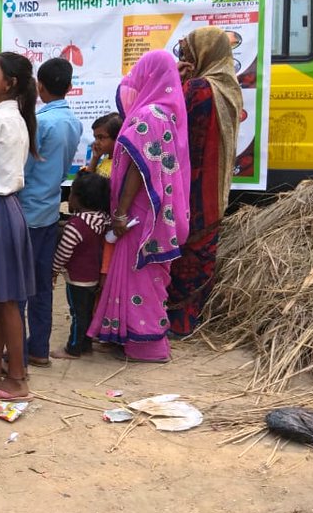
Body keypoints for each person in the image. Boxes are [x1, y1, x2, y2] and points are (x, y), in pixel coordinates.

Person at [88, 50, 190, 363]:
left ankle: (146, 345)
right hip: (155, 212)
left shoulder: (149, 115)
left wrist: (121, 212)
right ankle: (128, 337)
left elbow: (137, 166)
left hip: (140, 212)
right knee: (144, 275)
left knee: (139, 276)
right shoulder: (168, 112)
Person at [168, 26, 242, 336]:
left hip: (190, 185)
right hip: (214, 186)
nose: (186, 58)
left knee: (184, 251)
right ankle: (190, 319)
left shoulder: (197, 88)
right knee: (202, 252)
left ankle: (175, 321)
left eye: (188, 53)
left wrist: (174, 80)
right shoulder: (229, 86)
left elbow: (170, 119)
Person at [0, 52, 38, 401]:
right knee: (1, 296)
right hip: (10, 208)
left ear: (9, 83)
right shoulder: (14, 118)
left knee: (6, 300)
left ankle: (16, 376)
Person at [19, 58, 83, 368]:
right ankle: (39, 347)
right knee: (43, 284)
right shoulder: (74, 122)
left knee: (18, 286)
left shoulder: (40, 122)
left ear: (39, 86)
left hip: (29, 208)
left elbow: (24, 169)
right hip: (49, 207)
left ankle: (18, 351)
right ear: (69, 87)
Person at [51, 171, 109, 359]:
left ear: (77, 198)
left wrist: (54, 269)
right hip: (95, 275)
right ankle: (86, 344)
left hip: (77, 278)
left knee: (77, 314)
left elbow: (64, 253)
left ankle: (73, 348)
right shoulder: (103, 219)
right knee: (87, 312)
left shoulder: (75, 226)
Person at [83, 112, 121, 178]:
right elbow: (87, 181)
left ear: (117, 137)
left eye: (101, 137)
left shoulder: (119, 165)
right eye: (95, 138)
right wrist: (95, 158)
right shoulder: (105, 159)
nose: (96, 142)